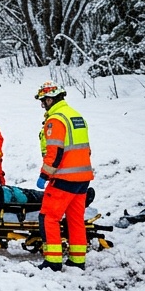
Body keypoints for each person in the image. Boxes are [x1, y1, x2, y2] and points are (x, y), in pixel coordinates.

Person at [34, 81, 93, 272]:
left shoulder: (56, 120)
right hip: (83, 178)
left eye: (43, 101)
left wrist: (44, 175)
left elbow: (55, 153)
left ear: (50, 99)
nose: (43, 105)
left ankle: (53, 261)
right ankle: (77, 260)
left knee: (48, 217)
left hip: (64, 178)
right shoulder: (76, 116)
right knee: (75, 219)